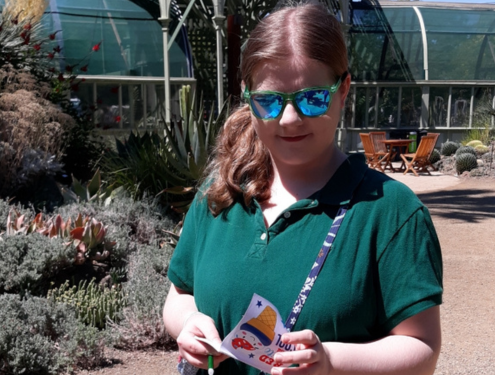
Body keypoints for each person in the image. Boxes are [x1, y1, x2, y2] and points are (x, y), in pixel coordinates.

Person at [163, 2, 443, 375]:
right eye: (269, 101)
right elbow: (180, 296)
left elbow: (421, 347)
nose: (290, 119)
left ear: (343, 90)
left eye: (313, 99)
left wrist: (330, 361)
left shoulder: (390, 212)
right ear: (247, 96)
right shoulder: (219, 196)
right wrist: (188, 324)